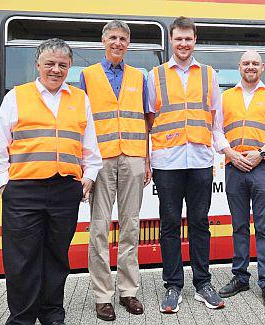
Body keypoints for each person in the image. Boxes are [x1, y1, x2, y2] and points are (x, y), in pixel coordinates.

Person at [0, 38, 103, 325]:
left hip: (65, 190)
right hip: (23, 191)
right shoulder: (17, 96)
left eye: (62, 64)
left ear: (70, 67)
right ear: (37, 65)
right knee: (21, 259)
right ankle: (23, 317)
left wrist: (88, 176)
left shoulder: (79, 98)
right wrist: (5, 186)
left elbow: (91, 148)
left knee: (56, 256)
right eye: (49, 63)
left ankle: (51, 313)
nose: (55, 69)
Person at [146, 16, 224, 313]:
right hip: (167, 160)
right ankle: (173, 286)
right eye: (178, 39)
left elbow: (215, 118)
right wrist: (148, 158)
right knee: (169, 225)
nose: (183, 44)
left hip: (201, 159)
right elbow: (149, 120)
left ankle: (203, 283)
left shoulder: (208, 74)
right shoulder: (155, 75)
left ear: (195, 40)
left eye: (188, 39)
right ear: (171, 41)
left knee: (200, 223)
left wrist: (222, 151)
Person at [79, 20, 150, 321]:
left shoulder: (139, 76)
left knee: (131, 226)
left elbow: (146, 120)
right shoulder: (87, 75)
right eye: (113, 38)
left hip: (133, 157)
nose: (118, 43)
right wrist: (85, 164)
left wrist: (147, 160)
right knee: (99, 228)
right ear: (103, 41)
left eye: (123, 38)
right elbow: (81, 121)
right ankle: (101, 296)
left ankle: (128, 292)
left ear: (128, 43)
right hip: (102, 159)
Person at [213, 50, 265, 308]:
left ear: (262, 67)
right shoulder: (225, 97)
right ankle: (240, 277)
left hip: (262, 167)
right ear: (239, 67)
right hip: (234, 168)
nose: (250, 67)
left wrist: (261, 153)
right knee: (239, 226)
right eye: (246, 63)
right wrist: (231, 154)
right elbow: (217, 131)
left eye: (255, 63)